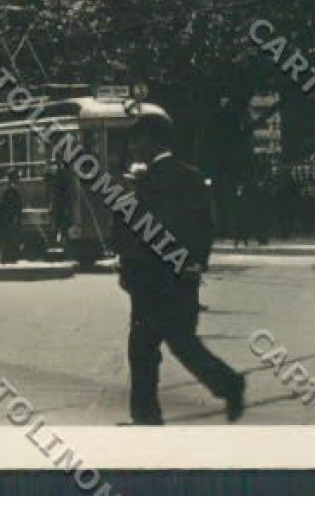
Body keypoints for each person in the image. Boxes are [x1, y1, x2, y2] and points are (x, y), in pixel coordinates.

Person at [116, 116, 245, 426]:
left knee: (145, 350)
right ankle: (227, 384)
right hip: (178, 279)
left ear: (154, 141)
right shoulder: (189, 176)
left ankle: (147, 417)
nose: (133, 148)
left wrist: (130, 264)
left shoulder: (154, 181)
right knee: (180, 344)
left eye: (137, 140)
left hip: (154, 282)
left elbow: (150, 232)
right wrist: (194, 263)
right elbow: (204, 227)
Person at [0, 171, 24, 264]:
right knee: (10, 237)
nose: (18, 180)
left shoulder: (7, 189)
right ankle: (7, 257)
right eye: (17, 178)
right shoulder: (12, 190)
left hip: (5, 217)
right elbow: (14, 205)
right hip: (9, 218)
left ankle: (5, 257)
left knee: (6, 238)